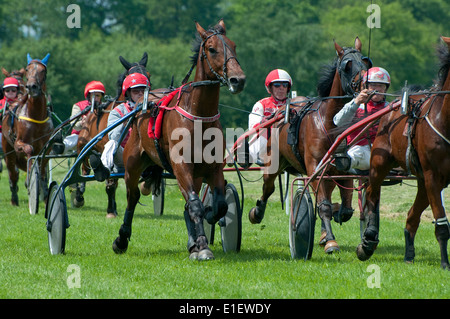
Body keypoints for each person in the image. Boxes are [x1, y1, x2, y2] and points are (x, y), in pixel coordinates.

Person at [90, 73, 149, 181]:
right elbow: (114, 138)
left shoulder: (152, 110)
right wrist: (124, 123)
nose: (140, 94)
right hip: (125, 155)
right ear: (128, 93)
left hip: (147, 155)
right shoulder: (117, 112)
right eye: (136, 91)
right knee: (111, 143)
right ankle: (104, 169)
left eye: (143, 91)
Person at [333, 67, 391, 172]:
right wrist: (356, 102)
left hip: (384, 150)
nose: (376, 89)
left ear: (385, 89)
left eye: (380, 86)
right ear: (365, 87)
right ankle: (346, 161)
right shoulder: (356, 105)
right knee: (358, 154)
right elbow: (338, 122)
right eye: (373, 85)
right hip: (359, 149)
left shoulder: (390, 108)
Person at [247, 69, 292, 165]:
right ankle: (252, 156)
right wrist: (262, 122)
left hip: (288, 143)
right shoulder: (261, 104)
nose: (281, 88)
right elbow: (252, 126)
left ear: (288, 88)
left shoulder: (294, 104)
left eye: (284, 85)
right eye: (276, 85)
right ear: (269, 88)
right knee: (263, 131)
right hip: (266, 143)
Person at [53, 81, 106, 154]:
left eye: (98, 96)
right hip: (80, 136)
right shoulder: (78, 106)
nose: (96, 98)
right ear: (89, 95)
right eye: (94, 95)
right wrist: (81, 123)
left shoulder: (105, 108)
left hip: (98, 137)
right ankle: (60, 147)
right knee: (72, 140)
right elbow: (74, 124)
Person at [0, 77, 20, 170]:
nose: (10, 92)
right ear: (3, 91)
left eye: (13, 90)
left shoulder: (22, 103)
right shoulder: (1, 103)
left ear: (17, 91)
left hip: (18, 133)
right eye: (7, 90)